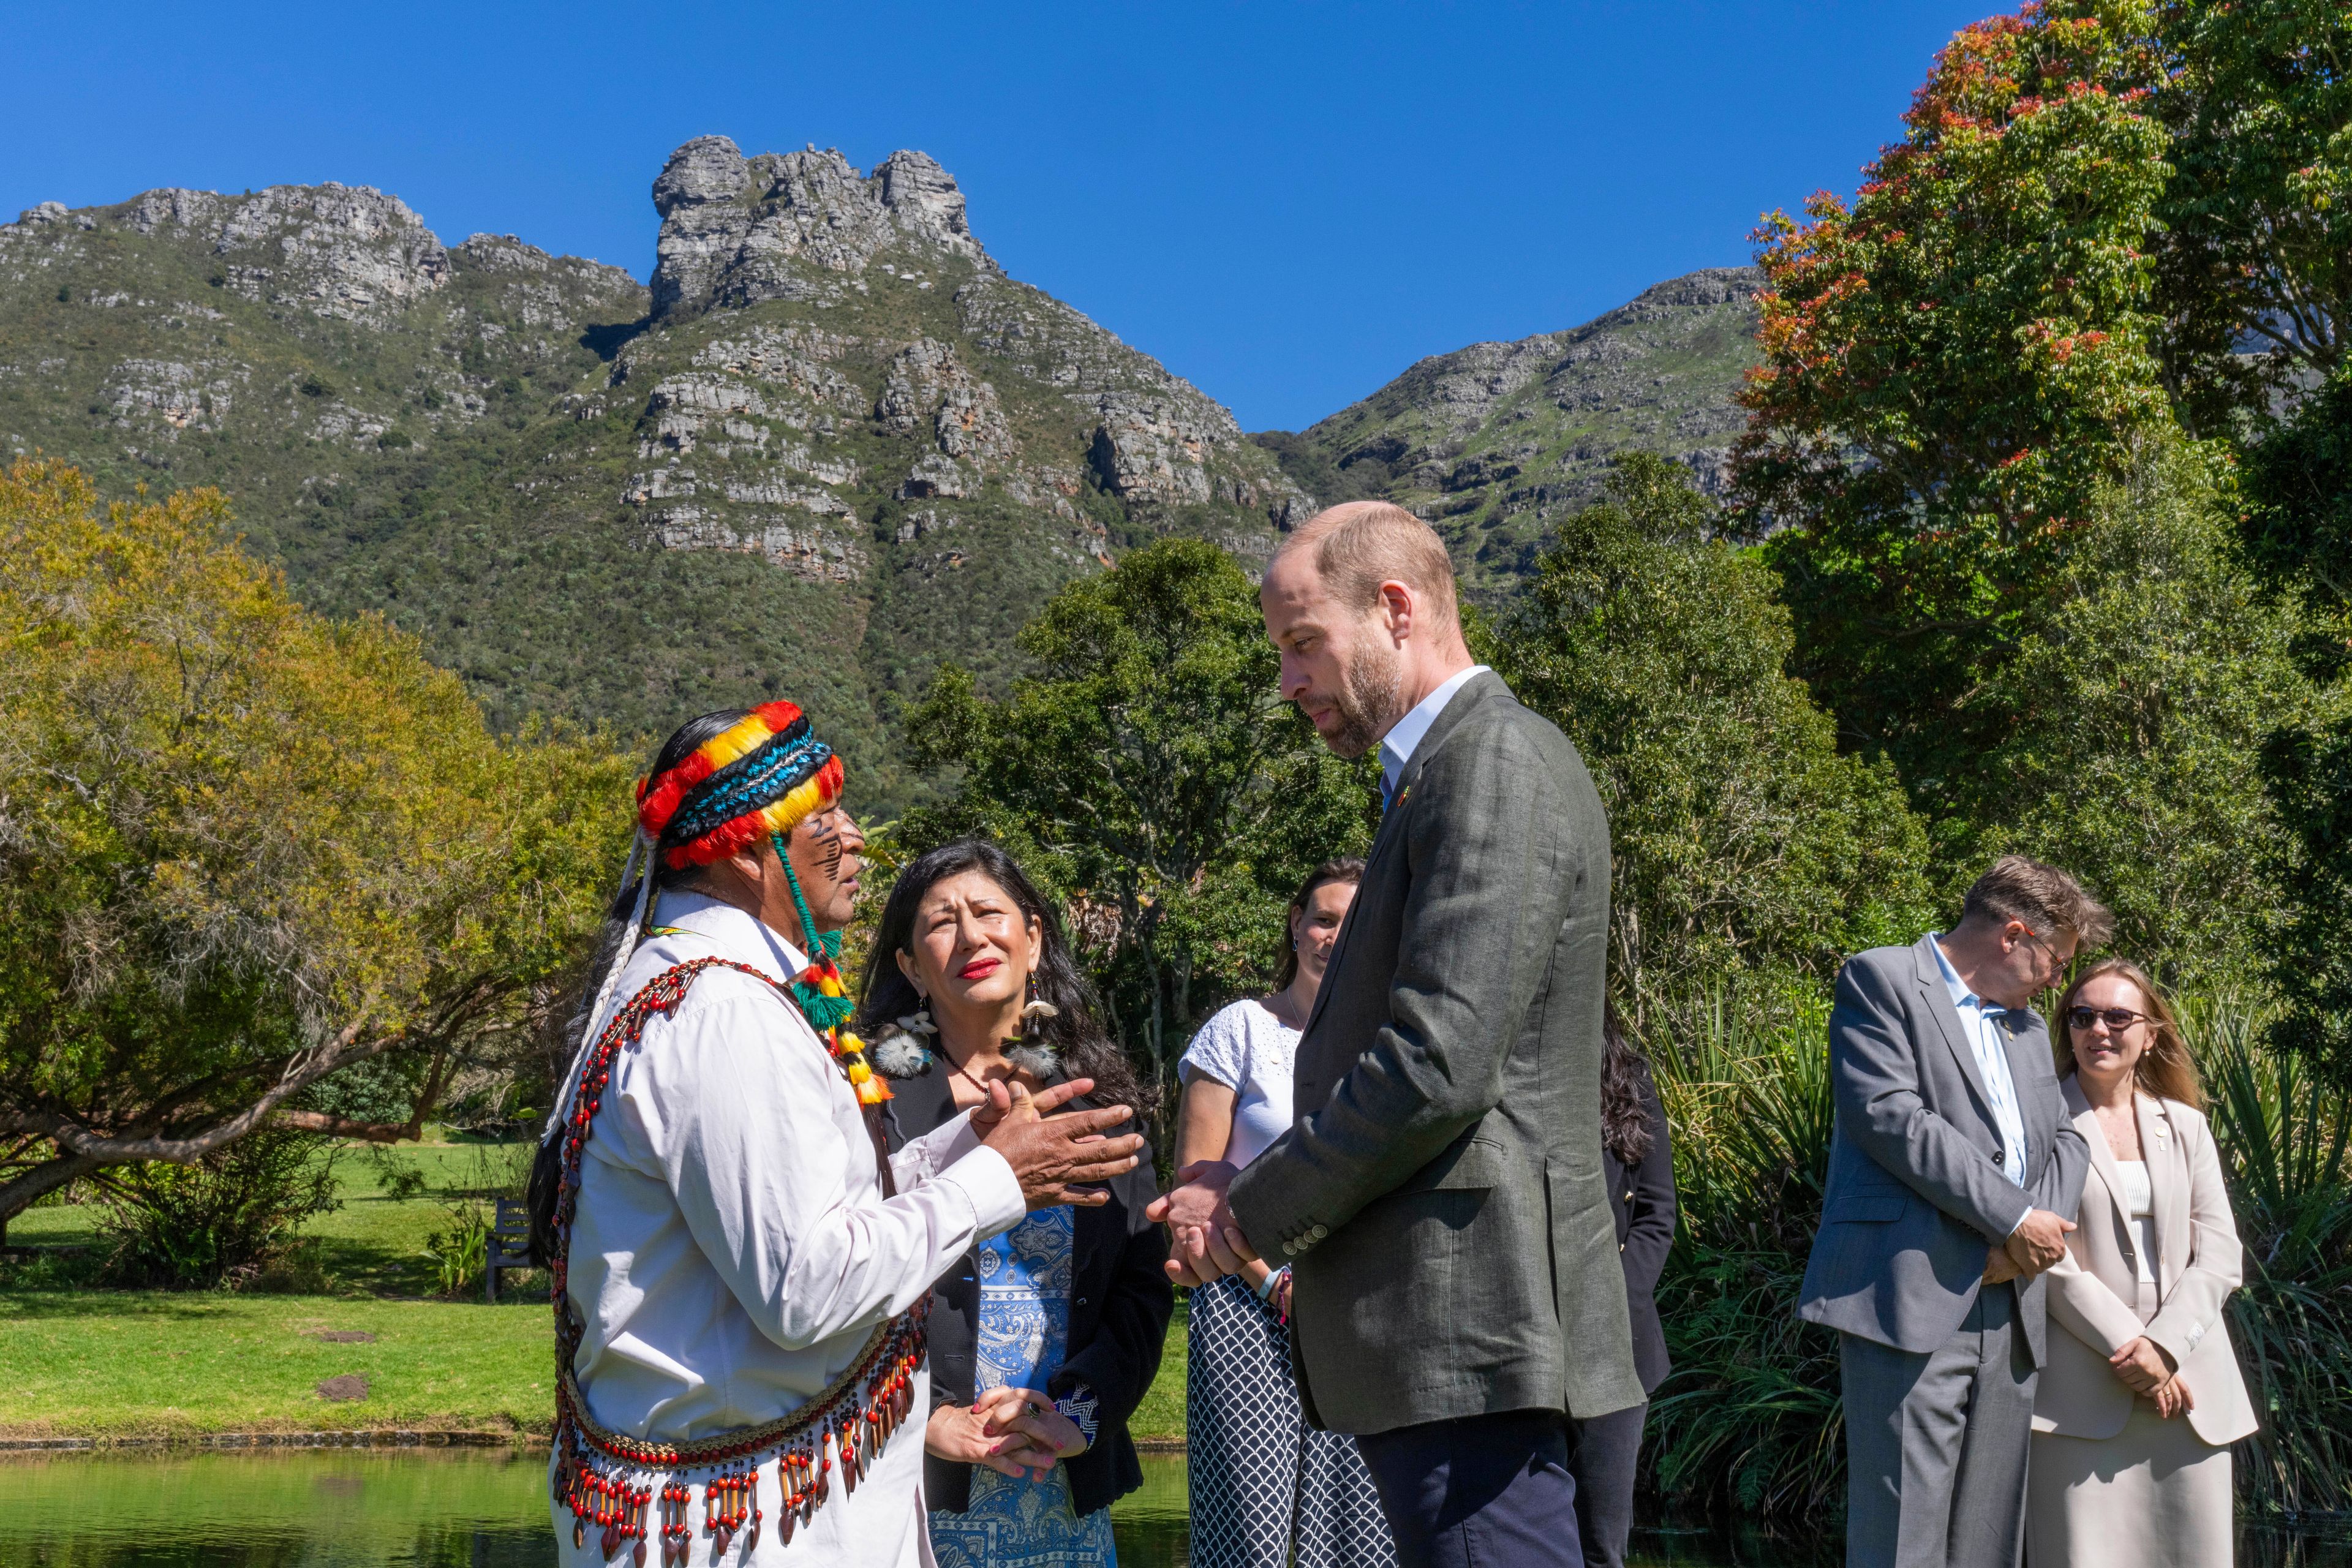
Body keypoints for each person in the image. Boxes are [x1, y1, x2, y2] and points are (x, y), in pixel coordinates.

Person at [531, 704, 1144, 1568]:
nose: (857, 839)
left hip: (750, 1508)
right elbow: (806, 1286)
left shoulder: (705, 992)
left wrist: (961, 1149)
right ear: (749, 849)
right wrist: (996, 1179)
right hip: (747, 1530)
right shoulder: (726, 1014)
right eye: (827, 819)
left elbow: (806, 1209)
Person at [1149, 500, 1643, 1568]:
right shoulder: (1438, 774)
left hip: (1474, 1319)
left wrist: (1250, 1212)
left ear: (1398, 609)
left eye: (1303, 644)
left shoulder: (1493, 761)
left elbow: (1438, 1062)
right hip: (1456, 1325)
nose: (1289, 684)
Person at [855, 839, 1173, 1568]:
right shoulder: (865, 1104)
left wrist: (1079, 1414)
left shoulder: (1097, 1101)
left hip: (1059, 1491)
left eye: (989, 912)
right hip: (904, 1495)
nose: (971, 935)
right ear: (909, 967)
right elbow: (839, 1272)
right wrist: (922, 1421)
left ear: (1033, 937)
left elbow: (1142, 1290)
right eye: (941, 922)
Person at [1799, 854, 2107, 1568]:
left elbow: (2066, 1138)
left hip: (2011, 1308)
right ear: (2014, 935)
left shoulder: (2027, 1028)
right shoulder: (1880, 979)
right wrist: (2011, 1220)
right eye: (2056, 959)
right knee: (1901, 1539)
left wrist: (2037, 1240)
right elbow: (1890, 1116)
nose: (2058, 978)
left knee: (1986, 1544)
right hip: (1910, 1294)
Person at [1174, 858, 1397, 1568]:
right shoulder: (1238, 1029)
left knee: (1363, 1533)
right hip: (1245, 1303)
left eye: (1352, 922)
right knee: (1247, 1536)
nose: (1335, 935)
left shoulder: (1392, 1044)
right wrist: (1274, 1283)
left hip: (1357, 1307)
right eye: (1324, 918)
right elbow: (1194, 1197)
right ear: (1297, 926)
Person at [2027, 959, 2256, 1567]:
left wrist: (2167, 1347)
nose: (2099, 1028)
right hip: (2078, 1393)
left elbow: (2220, 1255)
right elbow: (2042, 1257)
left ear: (2150, 1032)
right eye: (2083, 1016)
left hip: (2189, 1394)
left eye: (2118, 1015)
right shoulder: (2036, 1125)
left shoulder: (2187, 1126)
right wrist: (2133, 1347)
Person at [1570, 1003, 1676, 1568]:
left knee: (1602, 1548)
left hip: (1618, 1351)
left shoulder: (1629, 1080)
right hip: (1524, 1343)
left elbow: (1657, 1214)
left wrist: (1611, 1305)